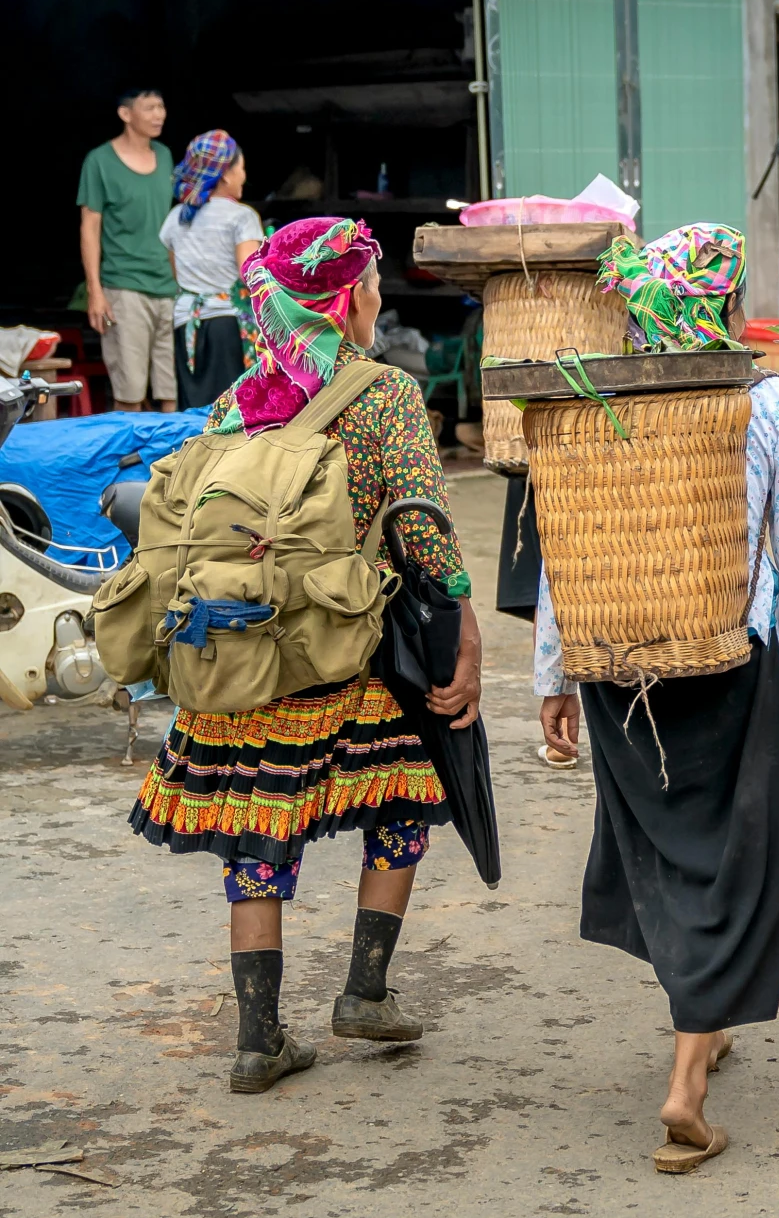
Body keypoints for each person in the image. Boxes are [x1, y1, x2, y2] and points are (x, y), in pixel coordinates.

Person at [536, 224, 779, 1177]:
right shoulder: (761, 401)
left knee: (664, 849)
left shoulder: (591, 398)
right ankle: (687, 1085)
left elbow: (568, 540)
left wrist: (555, 673)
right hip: (727, 660)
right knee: (730, 861)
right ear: (720, 304)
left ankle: (702, 1029)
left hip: (615, 668)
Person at [130, 217, 483, 1094]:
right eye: (366, 286)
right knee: (403, 799)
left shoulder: (232, 401)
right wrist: (463, 626)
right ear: (342, 298)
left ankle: (259, 1039)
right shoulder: (385, 394)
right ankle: (363, 991)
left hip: (236, 658)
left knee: (257, 835)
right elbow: (423, 535)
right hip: (338, 656)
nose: (374, 300)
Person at [78, 88, 179, 411]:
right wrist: (95, 291)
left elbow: (171, 225)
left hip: (168, 288)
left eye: (161, 106)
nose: (158, 114)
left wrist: (182, 284)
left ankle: (175, 461)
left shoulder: (164, 155)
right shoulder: (100, 161)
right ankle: (126, 461)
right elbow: (90, 227)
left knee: (171, 392)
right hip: (124, 287)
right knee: (129, 392)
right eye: (149, 107)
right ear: (125, 114)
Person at [159, 131, 263, 408]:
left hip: (186, 323)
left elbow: (178, 275)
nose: (244, 175)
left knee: (195, 406)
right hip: (227, 324)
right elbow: (249, 274)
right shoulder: (242, 216)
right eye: (241, 168)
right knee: (230, 410)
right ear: (226, 175)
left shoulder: (176, 217)